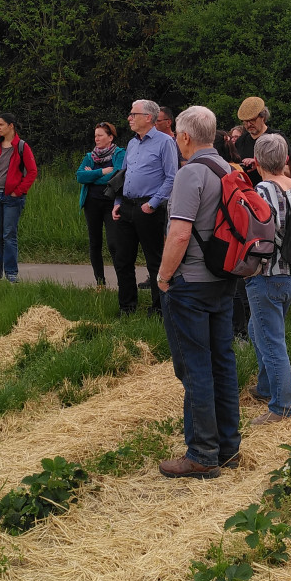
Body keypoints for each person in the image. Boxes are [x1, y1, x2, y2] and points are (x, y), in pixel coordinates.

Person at [155, 106, 241, 478]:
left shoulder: (191, 173)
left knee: (195, 369)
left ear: (186, 137)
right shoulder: (228, 170)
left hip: (191, 283)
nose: (175, 140)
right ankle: (228, 448)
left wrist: (163, 277)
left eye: (176, 135)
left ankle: (202, 455)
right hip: (225, 280)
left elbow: (179, 233)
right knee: (223, 362)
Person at [246, 133, 291, 425]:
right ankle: (264, 387)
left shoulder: (261, 190)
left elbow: (256, 232)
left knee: (272, 342)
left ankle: (281, 407)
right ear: (286, 160)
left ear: (257, 162)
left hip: (266, 275)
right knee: (256, 329)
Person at [112, 99, 179, 315]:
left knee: (154, 260)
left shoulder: (165, 142)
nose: (129, 118)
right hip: (127, 207)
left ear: (148, 118)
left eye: (134, 114)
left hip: (149, 208)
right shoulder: (131, 143)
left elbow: (171, 177)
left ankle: (159, 308)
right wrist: (117, 202)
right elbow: (122, 175)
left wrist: (153, 203)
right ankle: (127, 306)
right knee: (123, 259)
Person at [0, 113, 38, 283]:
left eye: (1, 124)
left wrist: (18, 191)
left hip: (12, 198)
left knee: (9, 235)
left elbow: (32, 172)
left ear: (11, 126)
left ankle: (11, 273)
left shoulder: (21, 146)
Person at [76, 121, 126, 289]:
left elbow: (117, 176)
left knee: (114, 243)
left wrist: (93, 176)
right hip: (91, 204)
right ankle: (100, 283)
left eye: (100, 135)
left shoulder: (119, 153)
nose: (96, 138)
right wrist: (102, 171)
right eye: (95, 135)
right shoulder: (90, 156)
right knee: (94, 243)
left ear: (110, 137)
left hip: (111, 204)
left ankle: (122, 282)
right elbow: (80, 177)